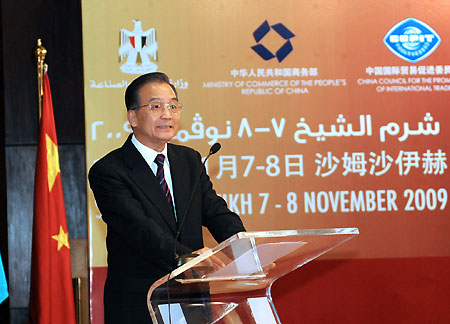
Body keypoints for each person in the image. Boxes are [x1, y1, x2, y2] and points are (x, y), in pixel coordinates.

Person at [88, 72, 245, 323]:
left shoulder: (190, 160)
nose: (167, 114)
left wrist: (244, 248)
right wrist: (190, 259)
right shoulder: (109, 170)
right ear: (132, 117)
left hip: (191, 299)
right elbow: (139, 229)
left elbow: (215, 211)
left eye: (173, 106)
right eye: (156, 106)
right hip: (140, 302)